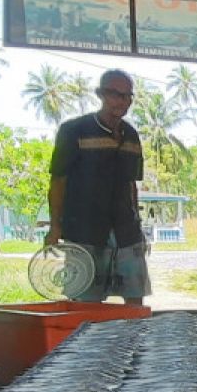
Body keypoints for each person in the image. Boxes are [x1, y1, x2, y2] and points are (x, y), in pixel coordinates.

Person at [45, 69, 150, 305]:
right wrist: (55, 227)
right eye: (115, 94)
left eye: (127, 96)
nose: (122, 101)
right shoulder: (73, 130)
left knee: (135, 302)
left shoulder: (131, 135)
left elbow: (131, 184)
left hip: (126, 231)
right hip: (85, 231)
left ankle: (133, 343)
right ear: (100, 94)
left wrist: (138, 226)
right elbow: (58, 181)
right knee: (86, 305)